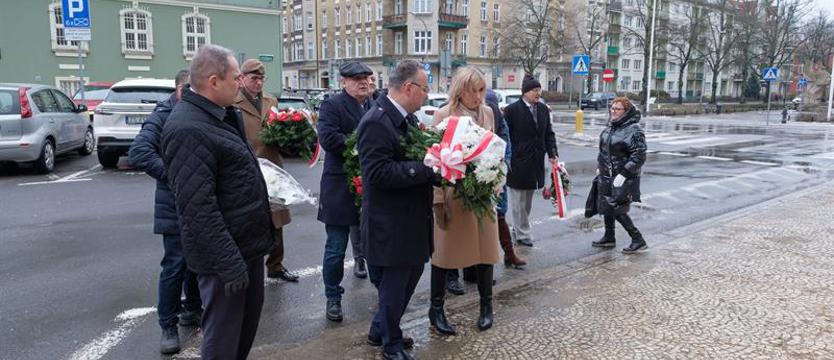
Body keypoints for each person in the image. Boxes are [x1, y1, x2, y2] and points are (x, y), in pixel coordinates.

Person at [161, 44, 273, 360]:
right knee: (222, 342)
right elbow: (197, 209)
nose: (240, 83)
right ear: (213, 81)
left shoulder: (218, 116)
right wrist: (229, 263)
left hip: (244, 248)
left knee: (241, 336)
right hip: (225, 258)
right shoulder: (188, 127)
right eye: (236, 77)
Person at [358, 59, 436, 360]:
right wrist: (424, 169)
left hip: (410, 218)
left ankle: (381, 329)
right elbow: (377, 174)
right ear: (408, 87)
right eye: (425, 89)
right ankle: (390, 345)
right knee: (394, 287)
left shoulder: (406, 120)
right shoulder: (378, 122)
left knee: (409, 278)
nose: (427, 95)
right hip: (390, 223)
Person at [128, 69, 201, 355]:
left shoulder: (196, 111)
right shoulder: (162, 115)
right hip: (173, 204)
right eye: (188, 89)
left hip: (197, 202)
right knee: (174, 265)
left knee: (196, 260)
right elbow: (140, 152)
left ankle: (192, 308)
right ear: (179, 89)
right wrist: (175, 176)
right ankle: (167, 325)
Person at [428, 67, 500, 336]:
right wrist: (437, 202)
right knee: (444, 255)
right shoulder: (443, 114)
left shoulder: (488, 113)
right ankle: (436, 309)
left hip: (482, 195)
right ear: (460, 90)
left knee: (486, 251)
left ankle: (486, 307)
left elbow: (496, 148)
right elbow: (433, 160)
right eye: (474, 91)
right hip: (453, 196)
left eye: (482, 90)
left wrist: (496, 178)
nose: (479, 97)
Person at [233, 59, 300, 283]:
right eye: (254, 78)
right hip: (247, 167)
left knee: (276, 218)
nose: (259, 83)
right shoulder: (234, 102)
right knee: (250, 220)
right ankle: (246, 268)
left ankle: (275, 265)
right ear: (242, 78)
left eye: (262, 78)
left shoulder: (271, 99)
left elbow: (278, 128)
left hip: (272, 165)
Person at [317, 61, 373, 322]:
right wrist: (364, 146)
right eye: (356, 78)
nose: (363, 82)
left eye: (366, 78)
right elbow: (328, 139)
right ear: (343, 82)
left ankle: (379, 286)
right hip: (339, 185)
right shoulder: (332, 105)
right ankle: (333, 297)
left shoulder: (373, 105)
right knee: (336, 247)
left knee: (373, 240)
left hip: (371, 184)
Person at [504, 75, 559, 247]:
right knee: (518, 201)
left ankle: (518, 229)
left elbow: (548, 133)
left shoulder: (543, 109)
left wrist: (552, 152)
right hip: (518, 161)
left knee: (526, 201)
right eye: (535, 90)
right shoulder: (512, 110)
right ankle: (523, 234)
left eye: (539, 90)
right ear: (526, 92)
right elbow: (505, 136)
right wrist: (507, 156)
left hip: (535, 161)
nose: (538, 93)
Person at [591, 97, 648, 253]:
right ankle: (609, 236)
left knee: (618, 209)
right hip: (606, 175)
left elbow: (639, 155)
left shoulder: (634, 130)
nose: (613, 111)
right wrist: (599, 167)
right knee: (606, 205)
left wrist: (624, 174)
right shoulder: (611, 126)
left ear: (626, 111)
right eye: (612, 108)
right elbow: (603, 150)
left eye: (617, 109)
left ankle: (638, 239)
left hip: (623, 177)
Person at [486, 88, 526, 268]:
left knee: (500, 214)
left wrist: (505, 164)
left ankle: (509, 254)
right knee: (484, 219)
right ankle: (480, 264)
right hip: (481, 172)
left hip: (497, 173)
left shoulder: (499, 119)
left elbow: (506, 142)